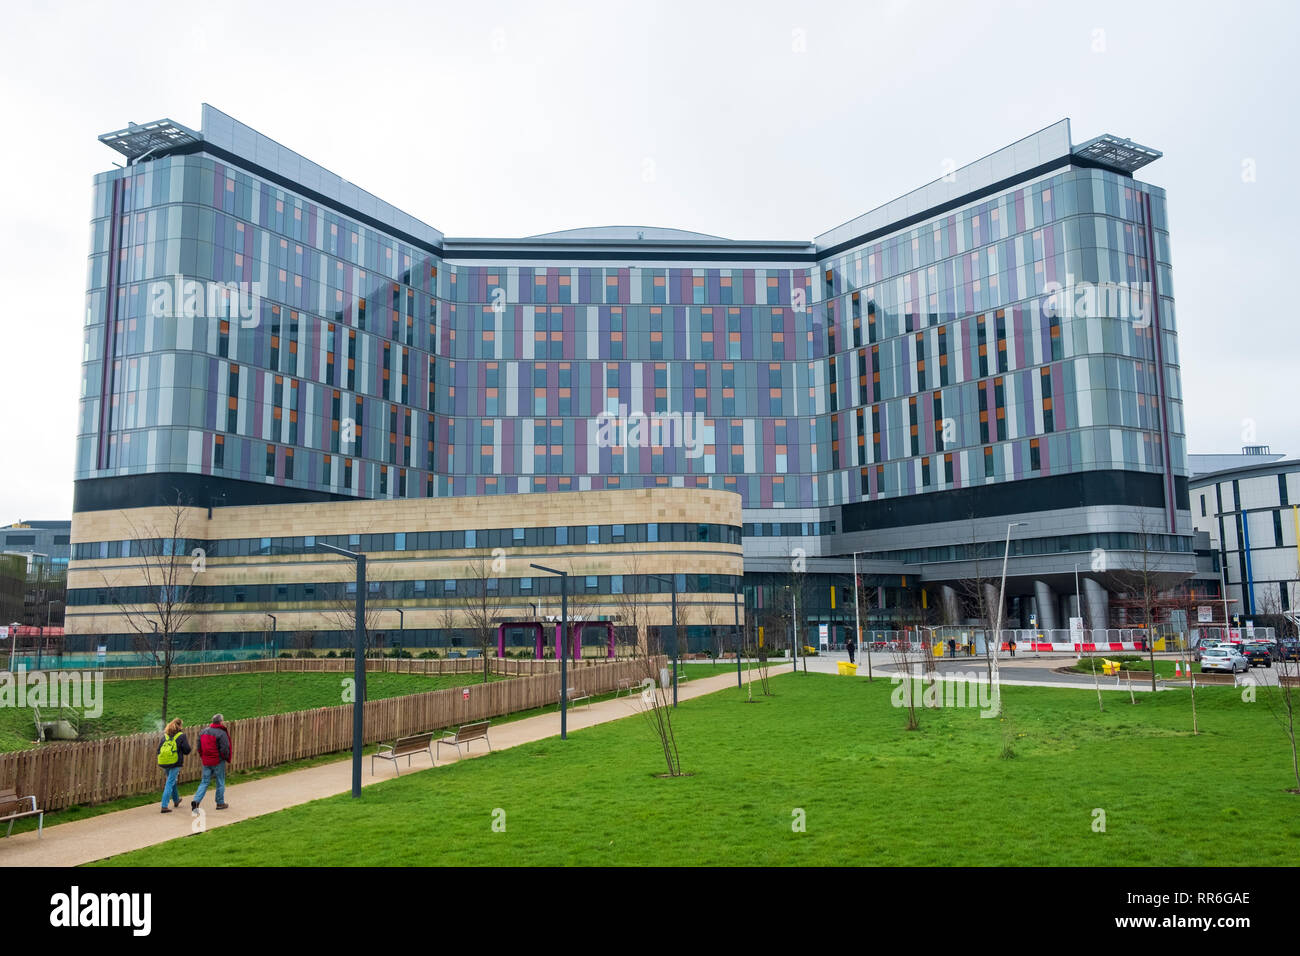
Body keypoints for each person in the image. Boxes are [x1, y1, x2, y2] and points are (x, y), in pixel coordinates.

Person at [192, 714, 232, 812]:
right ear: (221, 721)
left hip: (206, 761)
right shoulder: (221, 733)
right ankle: (220, 802)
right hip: (217, 761)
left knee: (204, 782)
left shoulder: (203, 731)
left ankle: (196, 801)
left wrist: (203, 756)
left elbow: (199, 746)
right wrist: (225, 758)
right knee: (220, 781)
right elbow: (225, 748)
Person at [157, 717, 191, 813]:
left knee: (171, 780)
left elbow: (158, 750)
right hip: (176, 762)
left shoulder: (165, 736)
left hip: (165, 762)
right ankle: (164, 805)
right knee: (170, 782)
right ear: (179, 726)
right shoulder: (181, 736)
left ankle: (176, 800)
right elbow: (187, 750)